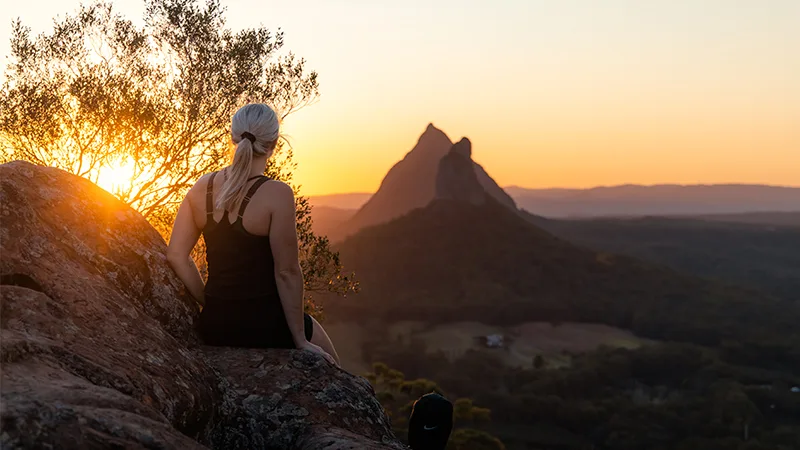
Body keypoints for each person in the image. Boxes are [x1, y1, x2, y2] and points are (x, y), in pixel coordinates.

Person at [166, 103, 339, 366]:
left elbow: (177, 256)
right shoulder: (278, 194)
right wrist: (300, 340)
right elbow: (287, 272)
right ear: (274, 144)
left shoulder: (202, 187)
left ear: (233, 138)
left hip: (216, 326)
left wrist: (211, 302)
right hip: (266, 326)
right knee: (335, 366)